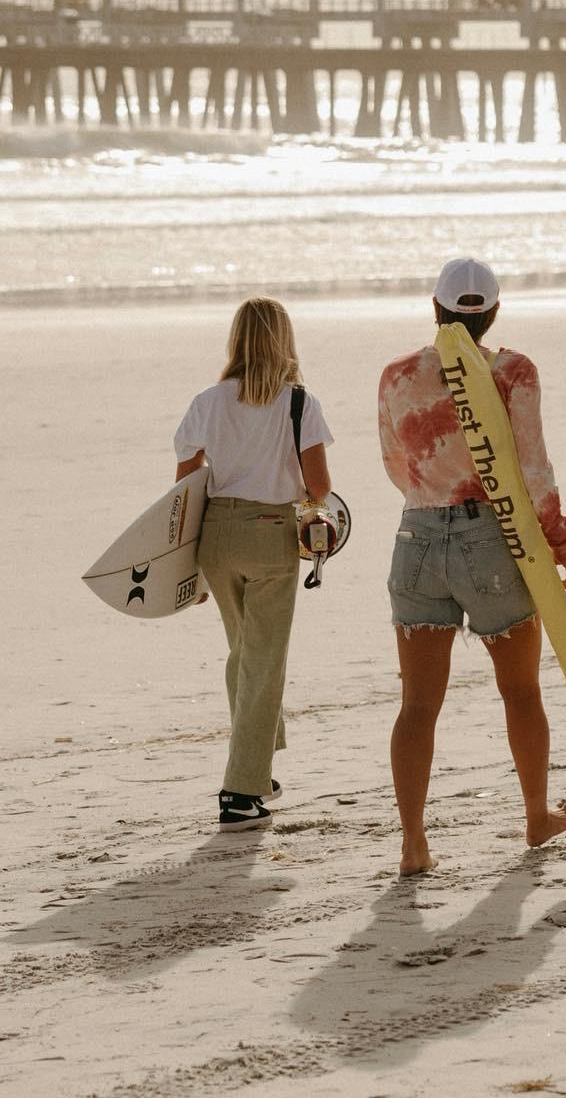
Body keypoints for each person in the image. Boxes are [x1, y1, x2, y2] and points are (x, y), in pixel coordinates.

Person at [377, 256, 566, 874]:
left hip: (415, 538)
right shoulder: (513, 372)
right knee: (520, 690)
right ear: (493, 313)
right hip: (491, 541)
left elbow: (395, 463)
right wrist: (558, 541)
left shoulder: (397, 375)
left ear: (434, 308)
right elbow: (533, 468)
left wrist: (433, 499)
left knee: (417, 705)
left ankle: (414, 843)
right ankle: (537, 816)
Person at [174, 297, 335, 832]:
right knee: (263, 661)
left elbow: (184, 488)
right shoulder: (299, 402)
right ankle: (240, 794)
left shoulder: (208, 401)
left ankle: (257, 769)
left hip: (215, 535)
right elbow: (319, 486)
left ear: (237, 339)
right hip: (269, 535)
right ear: (284, 340)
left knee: (244, 652)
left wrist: (187, 564)